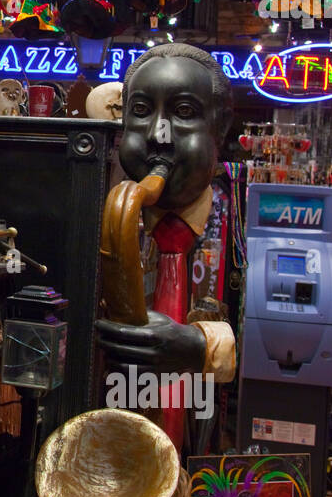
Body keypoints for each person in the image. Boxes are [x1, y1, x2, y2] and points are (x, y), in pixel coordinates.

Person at [95, 43, 237, 392]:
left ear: (219, 129)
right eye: (142, 110)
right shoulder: (94, 209)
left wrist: (201, 346)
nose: (159, 135)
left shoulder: (247, 225)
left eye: (184, 112)